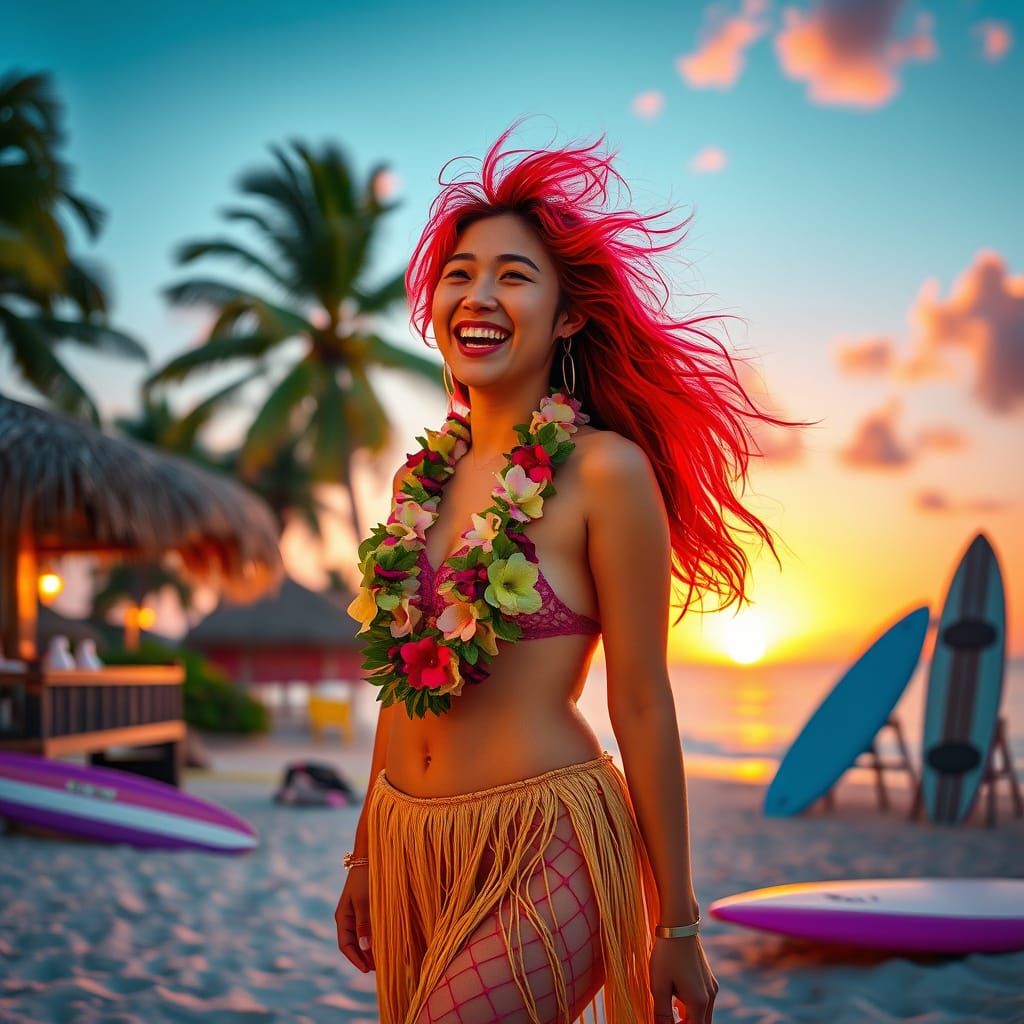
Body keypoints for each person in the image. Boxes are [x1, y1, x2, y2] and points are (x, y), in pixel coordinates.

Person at [335, 121, 797, 1024]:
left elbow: (643, 702)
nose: (479, 293)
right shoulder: (416, 481)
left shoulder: (603, 471)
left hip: (548, 847)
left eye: (514, 274)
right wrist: (362, 855)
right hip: (411, 844)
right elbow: (404, 689)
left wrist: (677, 923)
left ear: (569, 313)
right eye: (461, 273)